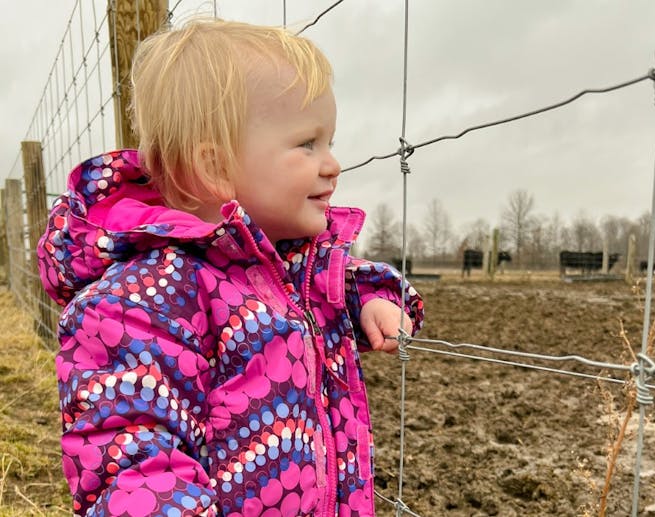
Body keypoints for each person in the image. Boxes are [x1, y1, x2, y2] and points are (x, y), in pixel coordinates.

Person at [37, 18, 423, 517]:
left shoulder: (289, 268)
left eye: (329, 141)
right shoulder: (138, 305)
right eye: (307, 143)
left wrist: (374, 297)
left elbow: (329, 287)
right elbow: (135, 466)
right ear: (214, 167)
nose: (332, 164)